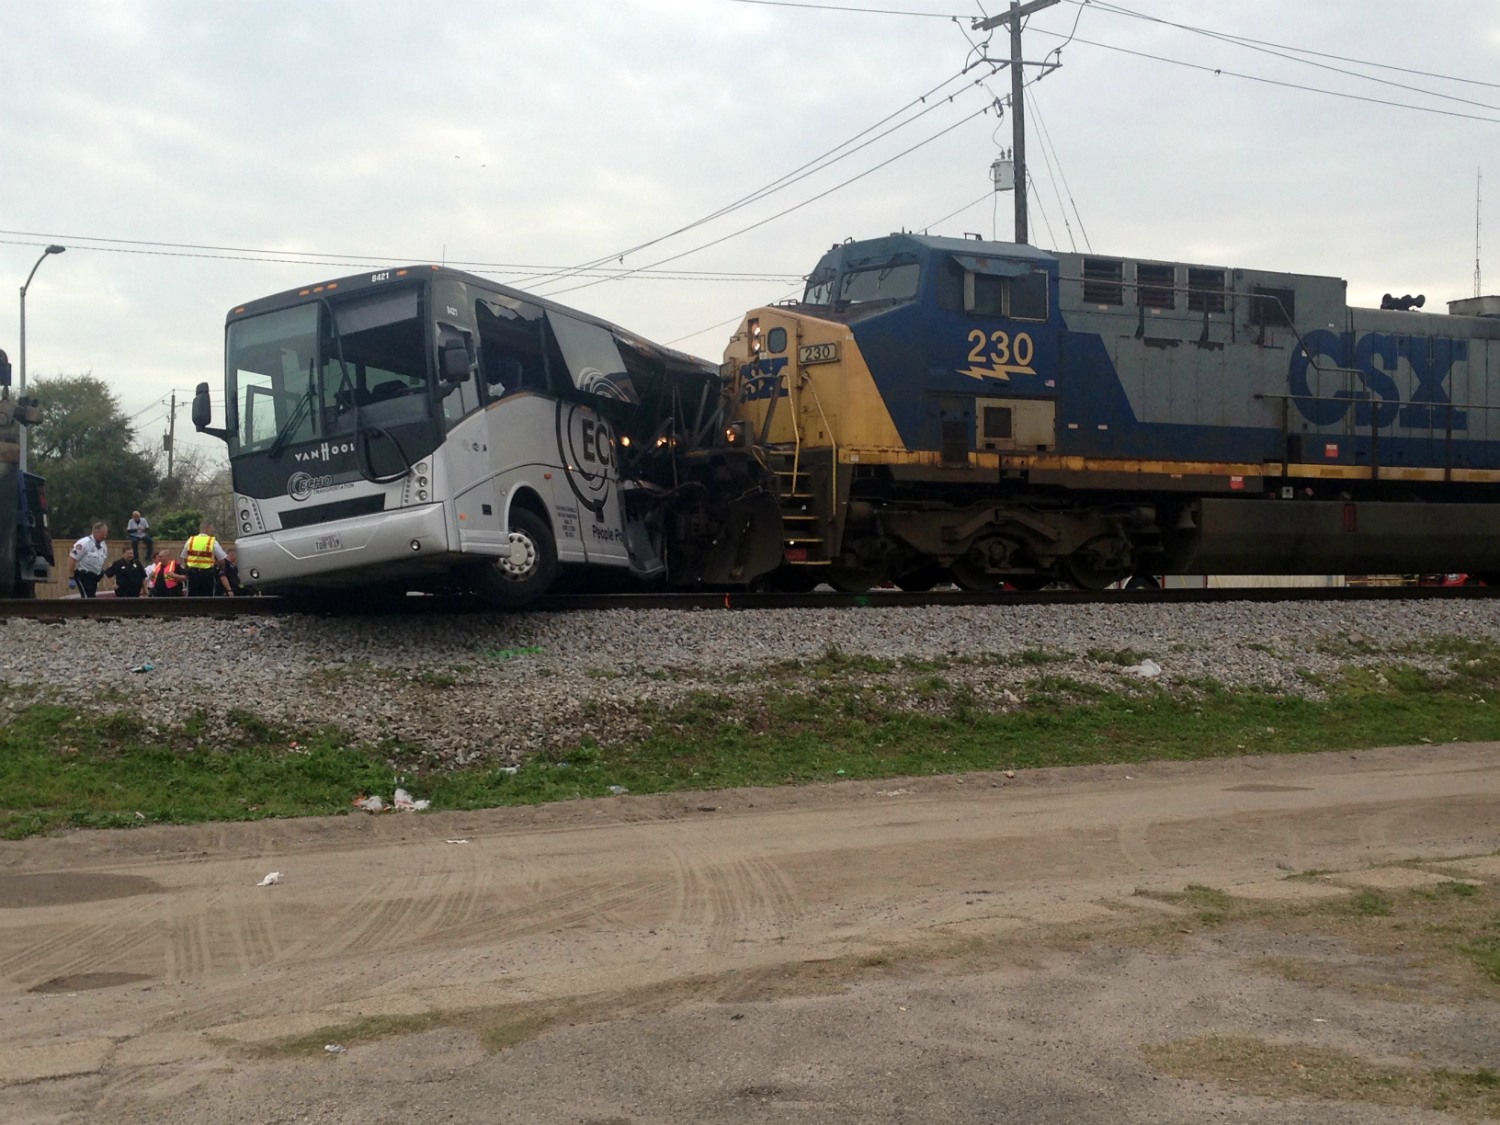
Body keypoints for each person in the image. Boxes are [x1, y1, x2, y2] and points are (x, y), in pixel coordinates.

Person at [180, 520, 229, 597]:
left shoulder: (191, 540)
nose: (212, 531)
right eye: (211, 529)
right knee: (207, 598)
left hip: (193, 575)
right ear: (207, 528)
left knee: (192, 598)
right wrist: (218, 567)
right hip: (207, 575)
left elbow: (184, 557)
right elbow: (222, 560)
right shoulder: (212, 541)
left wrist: (189, 566)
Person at [68, 522, 110, 598]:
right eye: (103, 534)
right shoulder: (84, 543)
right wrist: (71, 577)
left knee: (92, 598)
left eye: (106, 534)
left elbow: (101, 561)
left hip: (94, 578)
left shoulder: (103, 545)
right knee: (87, 599)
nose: (104, 536)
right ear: (95, 532)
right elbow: (72, 558)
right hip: (84, 575)